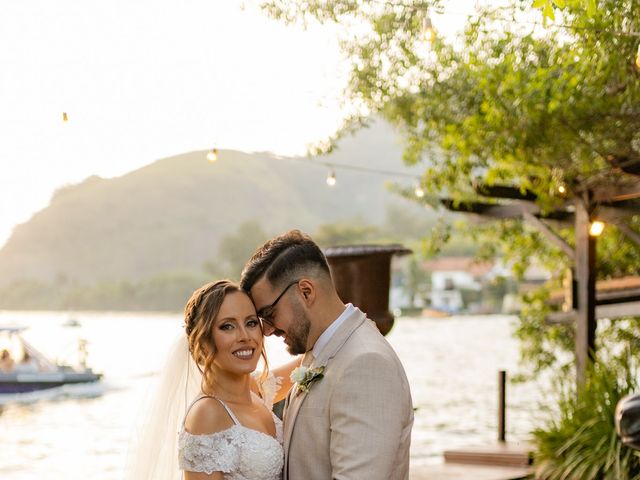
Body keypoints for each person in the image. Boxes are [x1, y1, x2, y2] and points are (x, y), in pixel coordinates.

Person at [240, 230, 414, 480]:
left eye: (269, 313)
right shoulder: (324, 351)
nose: (266, 331)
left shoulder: (366, 364)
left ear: (306, 291)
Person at [125, 279, 299, 480]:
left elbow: (311, 361)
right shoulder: (206, 414)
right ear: (203, 342)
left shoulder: (255, 389)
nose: (245, 336)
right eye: (227, 326)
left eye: (251, 323)